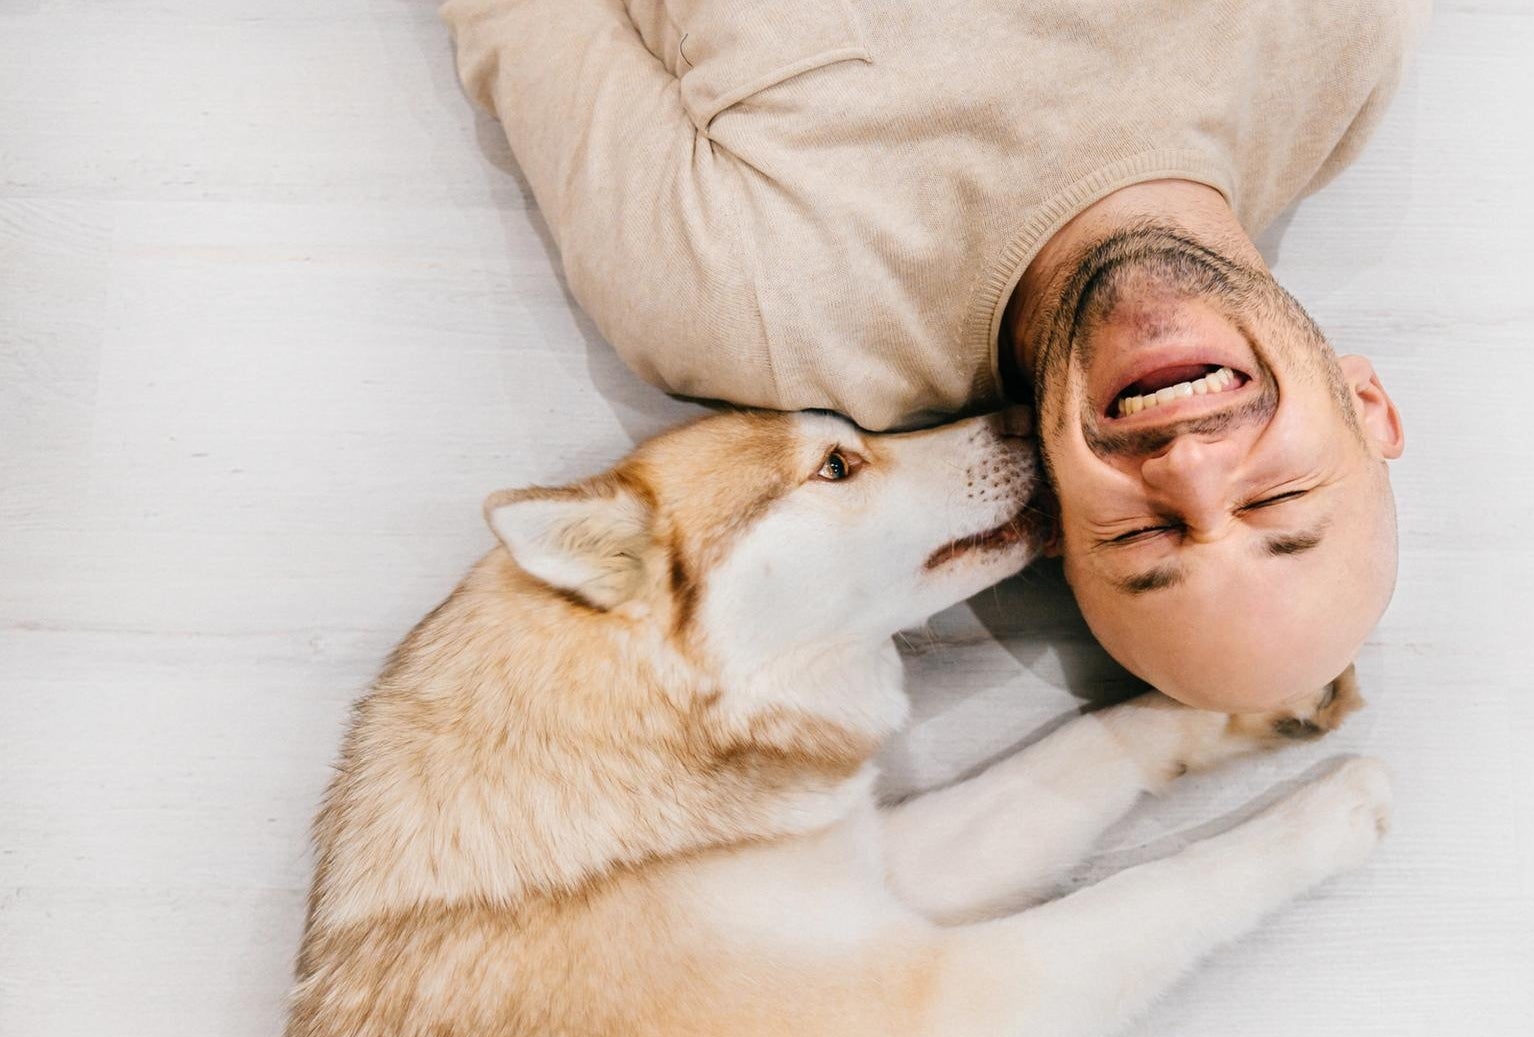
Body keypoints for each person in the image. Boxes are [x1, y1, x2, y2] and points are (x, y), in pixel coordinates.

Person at [441, 0, 1425, 712]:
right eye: (1276, 505)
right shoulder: (1335, 38)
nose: (1192, 468)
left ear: (1048, 517)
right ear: (1366, 402)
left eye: (1145, 540)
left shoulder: (763, 306)